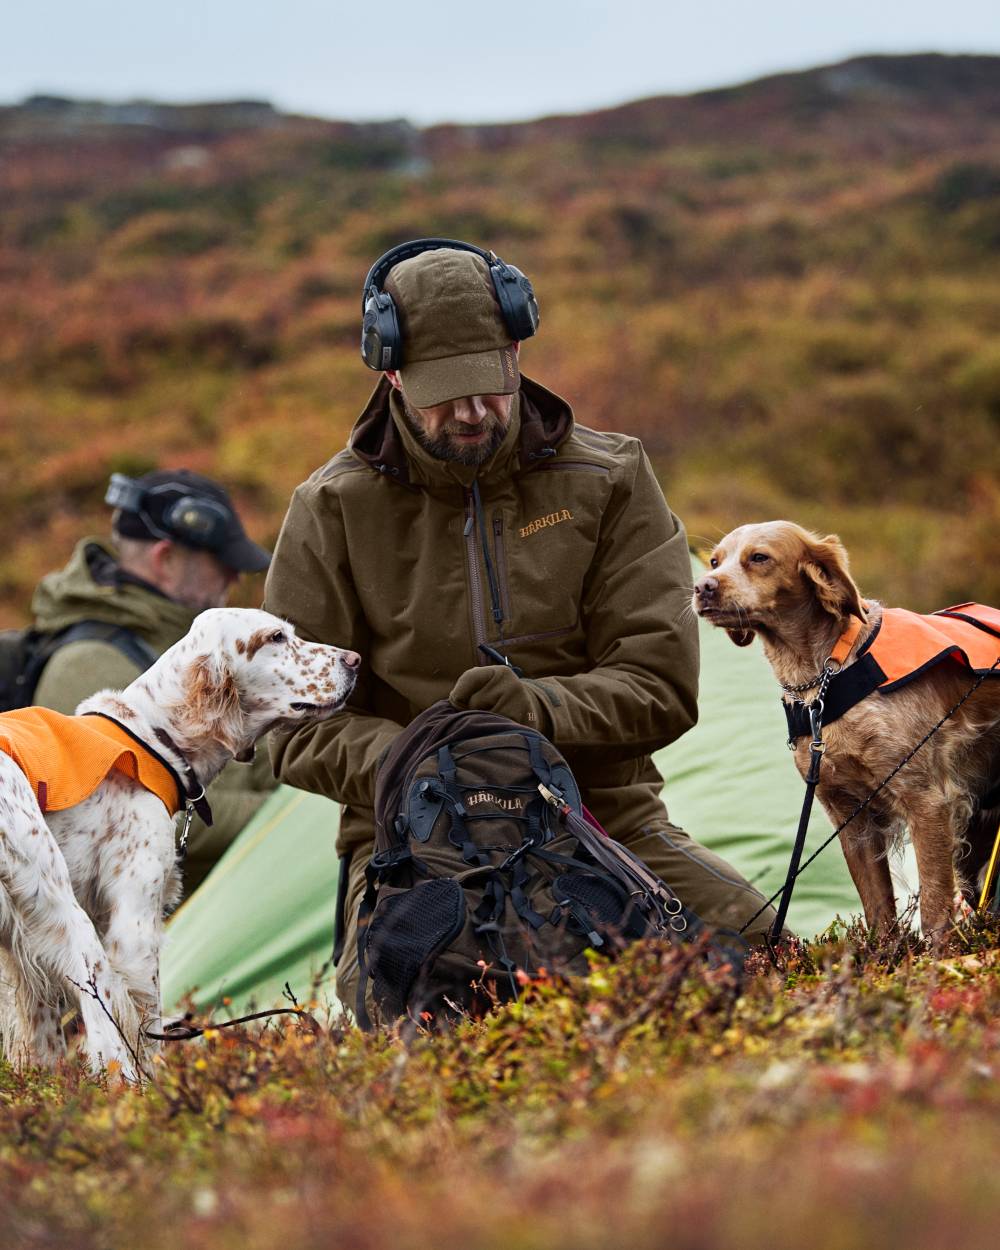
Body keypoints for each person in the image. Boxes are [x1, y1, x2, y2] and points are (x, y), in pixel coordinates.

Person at [264, 239, 782, 1010]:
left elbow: (661, 687)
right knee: (417, 1018)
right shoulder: (330, 509)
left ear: (516, 351)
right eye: (444, 393)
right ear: (392, 373)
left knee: (774, 963)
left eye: (489, 384)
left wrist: (533, 714)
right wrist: (427, 762)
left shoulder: (611, 479)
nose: (472, 412)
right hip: (414, 847)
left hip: (607, 823)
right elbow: (286, 724)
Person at [30, 468, 277, 895]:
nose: (235, 578)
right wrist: (286, 818)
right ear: (165, 560)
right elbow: (136, 813)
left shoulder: (184, 647)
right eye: (222, 564)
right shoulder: (88, 666)